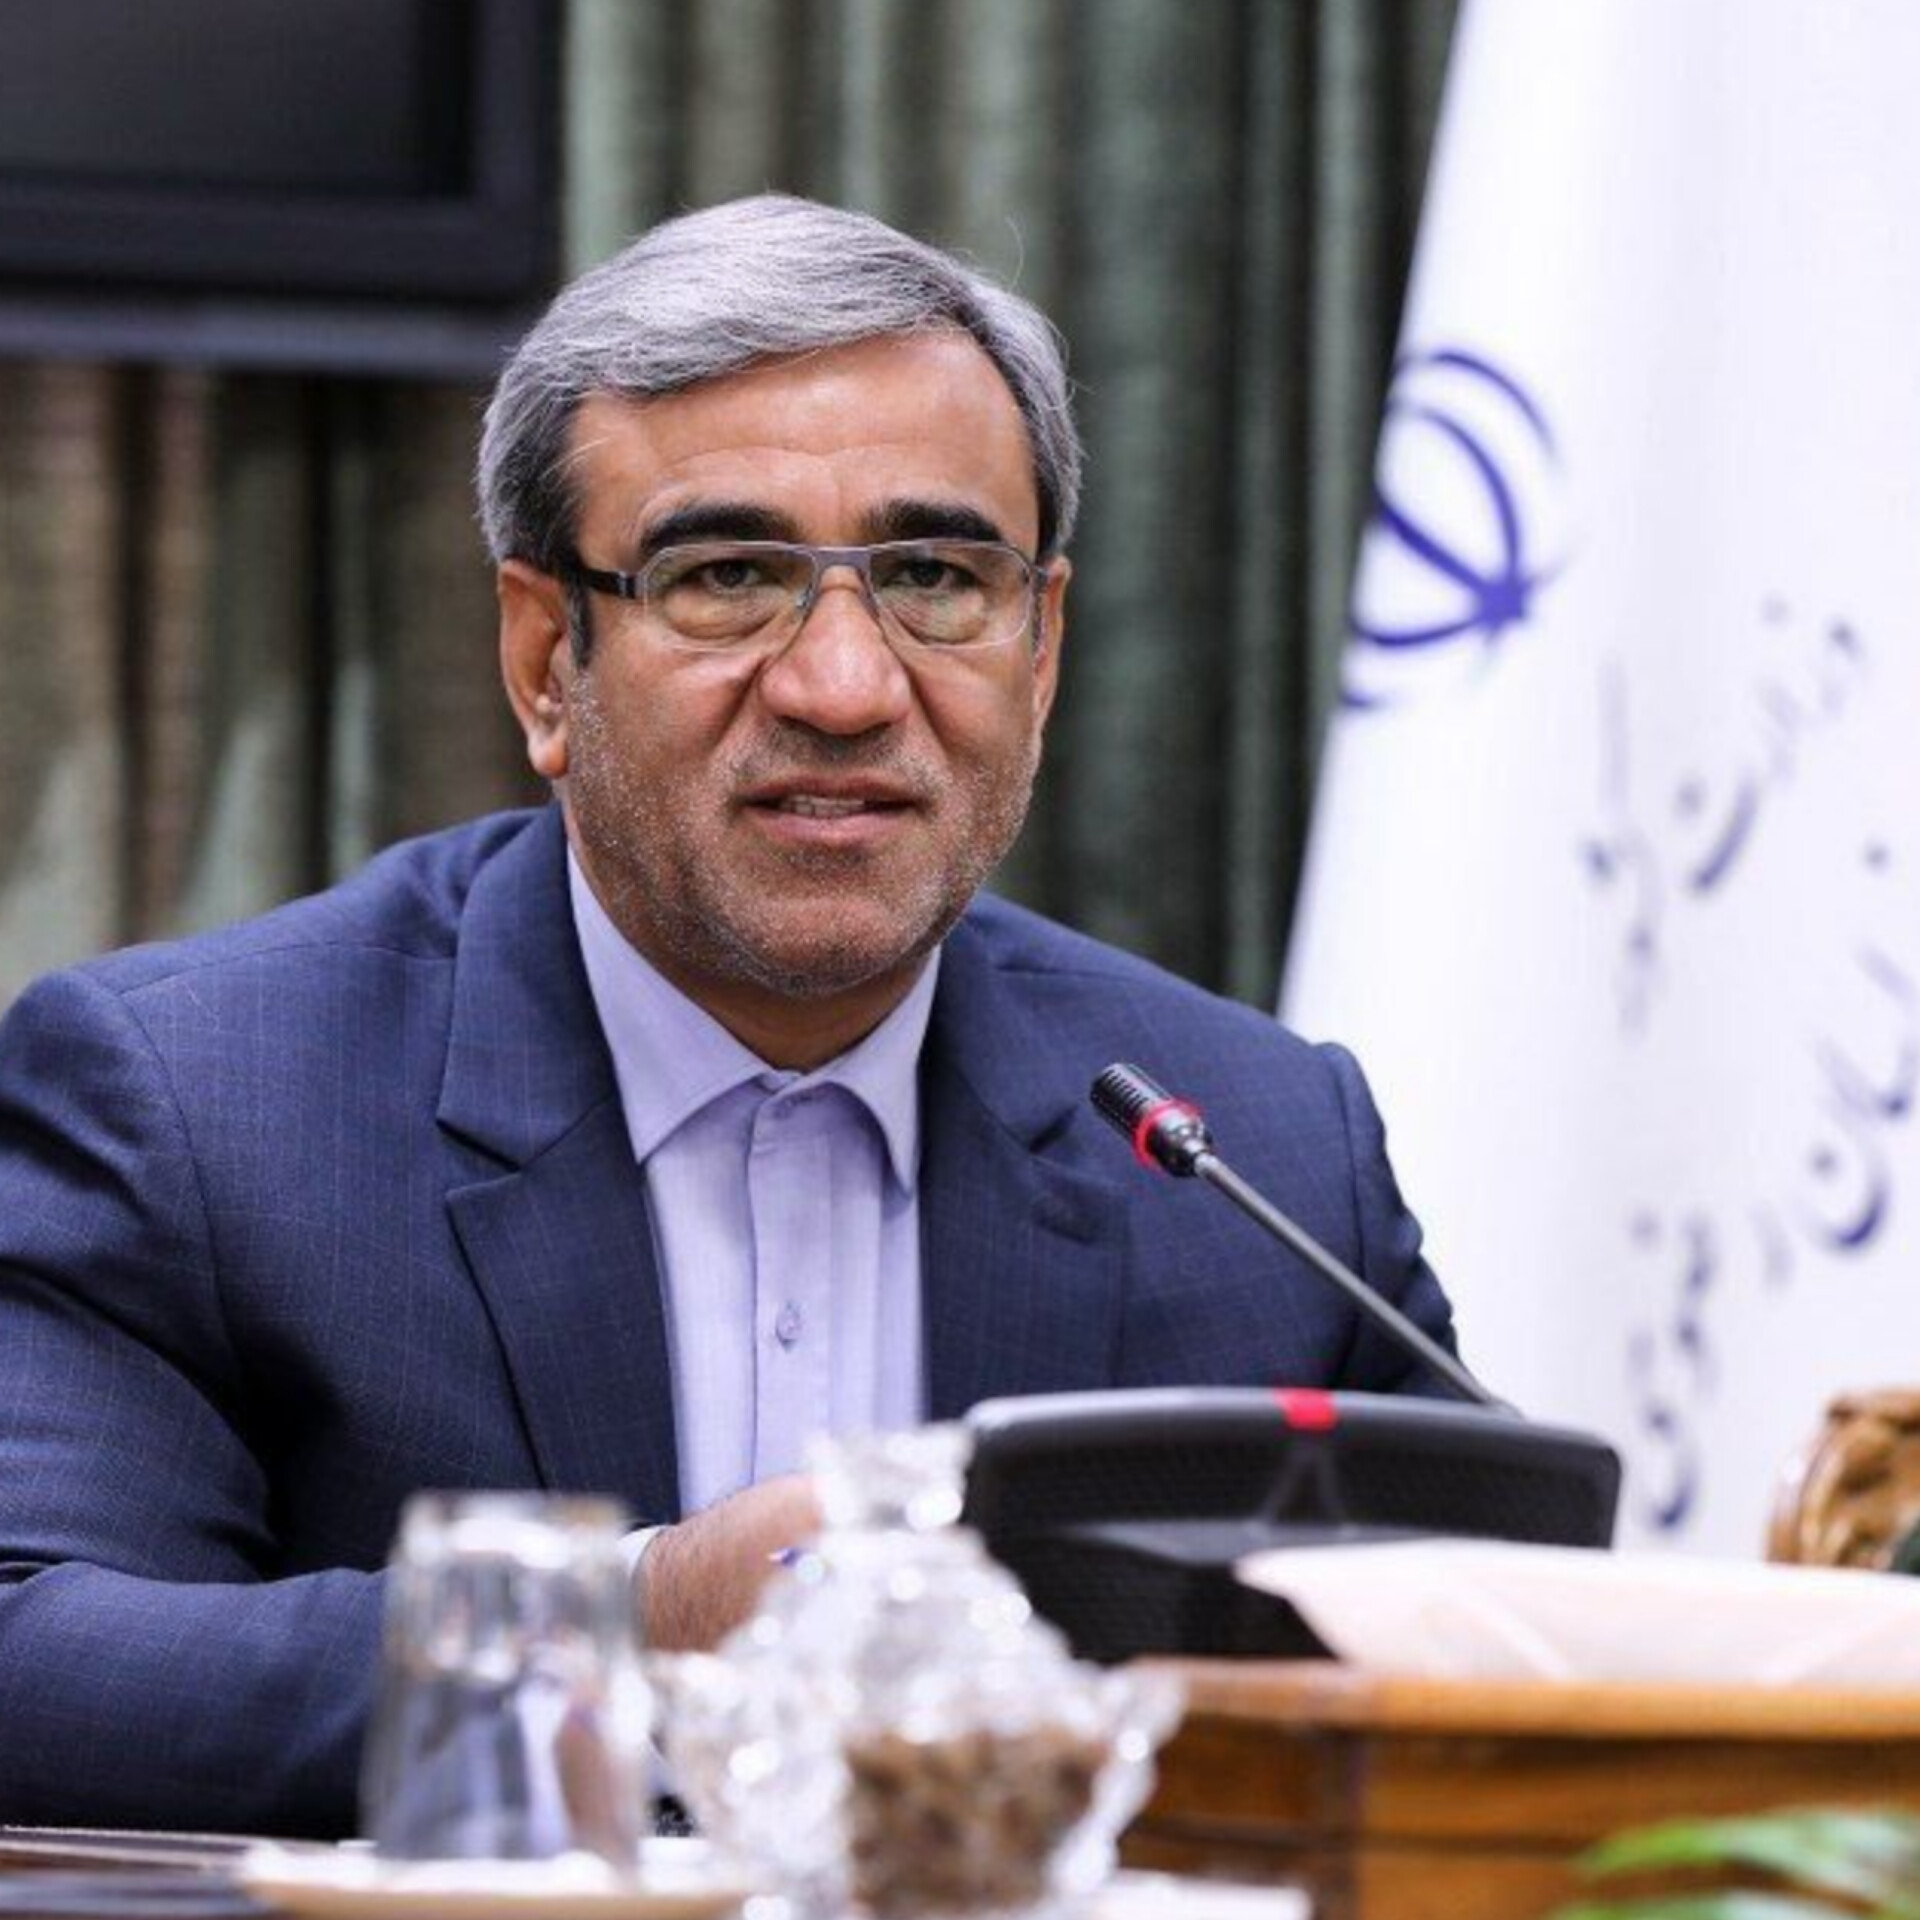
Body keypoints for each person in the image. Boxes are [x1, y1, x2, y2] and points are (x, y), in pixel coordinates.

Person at [0, 195, 1456, 1837]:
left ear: (1042, 652)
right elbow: (27, 1659)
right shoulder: (197, 1105)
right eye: (729, 578)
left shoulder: (1259, 1156)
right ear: (545, 660)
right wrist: (633, 1628)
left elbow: (1489, 1661)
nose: (844, 687)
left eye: (935, 577)